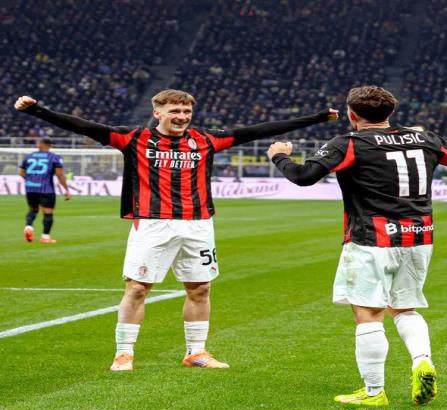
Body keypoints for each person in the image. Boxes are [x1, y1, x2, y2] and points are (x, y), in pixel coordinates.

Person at [15, 90, 338, 371]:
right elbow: (83, 126)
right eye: (175, 111)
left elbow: (259, 130)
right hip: (152, 223)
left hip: (198, 224)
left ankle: (195, 352)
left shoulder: (206, 140)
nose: (182, 116)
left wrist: (316, 118)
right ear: (157, 112)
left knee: (200, 289)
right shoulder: (133, 139)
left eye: (186, 111)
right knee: (137, 288)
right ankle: (124, 353)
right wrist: (37, 110)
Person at [267, 85, 447, 406]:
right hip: (418, 236)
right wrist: (425, 142)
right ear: (390, 111)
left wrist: (279, 155)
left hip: (372, 238)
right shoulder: (425, 138)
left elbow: (304, 176)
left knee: (368, 312)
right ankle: (422, 360)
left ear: (352, 114)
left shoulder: (350, 143)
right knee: (404, 308)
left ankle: (374, 392)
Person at [19, 138, 71, 244]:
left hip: (30, 188)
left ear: (40, 145)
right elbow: (59, 174)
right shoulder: (54, 157)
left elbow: (22, 173)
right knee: (48, 212)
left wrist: (31, 180)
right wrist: (66, 189)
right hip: (46, 189)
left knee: (33, 210)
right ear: (50, 146)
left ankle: (28, 227)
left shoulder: (29, 156)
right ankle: (45, 237)